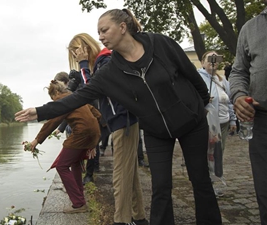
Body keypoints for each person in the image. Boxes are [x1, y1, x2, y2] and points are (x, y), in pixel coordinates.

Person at [15, 8, 222, 225]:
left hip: (191, 123)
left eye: (104, 30)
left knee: (200, 181)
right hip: (156, 131)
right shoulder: (110, 70)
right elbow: (78, 97)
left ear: (122, 27)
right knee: (161, 187)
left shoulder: (160, 43)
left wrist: (202, 103)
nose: (101, 36)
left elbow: (189, 72)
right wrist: (39, 111)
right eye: (99, 32)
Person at [68, 32, 148, 225]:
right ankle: (139, 217)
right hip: (122, 122)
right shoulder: (103, 62)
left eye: (76, 53)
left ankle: (120, 221)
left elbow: (90, 91)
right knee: (131, 175)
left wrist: (84, 65)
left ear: (84, 48)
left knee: (120, 176)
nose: (76, 58)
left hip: (124, 122)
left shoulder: (105, 61)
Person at [28, 80, 101, 214]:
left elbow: (52, 122)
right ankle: (79, 194)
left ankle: (79, 204)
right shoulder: (76, 97)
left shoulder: (64, 101)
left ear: (56, 92)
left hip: (81, 134)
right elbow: (96, 113)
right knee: (75, 163)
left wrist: (36, 141)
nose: (54, 101)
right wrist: (94, 141)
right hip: (93, 132)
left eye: (53, 98)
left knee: (62, 166)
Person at [229, 3, 267, 224]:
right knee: (264, 188)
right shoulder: (250, 28)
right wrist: (239, 95)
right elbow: (239, 71)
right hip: (262, 120)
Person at [198, 51, 237, 196]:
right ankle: (207, 186)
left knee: (218, 154)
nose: (213, 62)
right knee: (209, 154)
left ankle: (214, 183)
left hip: (224, 123)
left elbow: (230, 101)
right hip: (209, 124)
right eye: (209, 59)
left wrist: (233, 119)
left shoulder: (222, 80)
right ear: (202, 62)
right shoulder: (199, 78)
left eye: (216, 59)